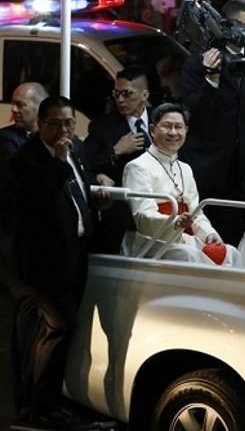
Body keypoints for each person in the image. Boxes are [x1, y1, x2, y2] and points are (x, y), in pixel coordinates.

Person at [10, 96, 107, 427]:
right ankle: (36, 408)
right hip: (43, 263)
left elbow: (78, 193)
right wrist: (59, 161)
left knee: (64, 333)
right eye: (55, 124)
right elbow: (39, 206)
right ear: (41, 125)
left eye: (69, 123)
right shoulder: (26, 160)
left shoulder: (76, 151)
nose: (64, 130)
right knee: (55, 330)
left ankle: (51, 404)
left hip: (75, 254)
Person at [180, 0, 245, 244]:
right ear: (228, 25)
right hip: (203, 168)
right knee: (203, 241)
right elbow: (193, 114)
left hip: (236, 171)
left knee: (233, 238)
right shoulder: (198, 62)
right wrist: (211, 79)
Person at [123, 103, 244, 267]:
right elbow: (143, 216)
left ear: (186, 130)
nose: (173, 132)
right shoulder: (137, 167)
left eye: (178, 127)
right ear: (152, 130)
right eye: (167, 126)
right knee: (190, 256)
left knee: (231, 253)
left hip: (183, 238)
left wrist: (208, 234)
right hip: (151, 241)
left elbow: (196, 213)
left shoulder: (185, 168)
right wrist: (176, 222)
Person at [84, 66, 152, 250]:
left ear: (144, 95)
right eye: (116, 94)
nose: (120, 100)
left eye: (127, 94)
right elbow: (85, 162)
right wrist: (115, 151)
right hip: (121, 211)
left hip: (159, 202)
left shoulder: (162, 120)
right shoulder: (102, 126)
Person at [0, 83, 48, 291]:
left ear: (40, 107)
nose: (13, 110)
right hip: (15, 235)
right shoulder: (5, 139)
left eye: (20, 105)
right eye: (14, 104)